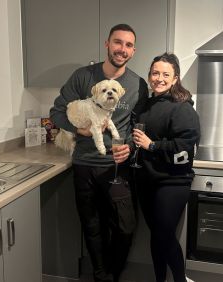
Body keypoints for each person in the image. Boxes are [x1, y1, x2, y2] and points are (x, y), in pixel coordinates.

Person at [50, 24, 149, 282]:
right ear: (107, 44)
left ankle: (113, 272)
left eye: (128, 45)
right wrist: (78, 130)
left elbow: (140, 124)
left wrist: (130, 146)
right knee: (92, 225)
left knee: (125, 228)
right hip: (84, 165)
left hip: (118, 167)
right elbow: (57, 112)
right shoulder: (83, 77)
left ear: (133, 50)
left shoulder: (137, 84)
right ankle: (99, 275)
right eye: (118, 42)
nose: (122, 49)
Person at [132, 53, 200, 282]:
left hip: (172, 181)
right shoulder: (146, 105)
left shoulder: (182, 108)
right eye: (155, 73)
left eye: (165, 74)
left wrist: (152, 145)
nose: (159, 78)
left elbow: (185, 144)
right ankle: (159, 279)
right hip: (146, 179)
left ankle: (180, 280)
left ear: (175, 78)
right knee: (157, 235)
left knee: (164, 234)